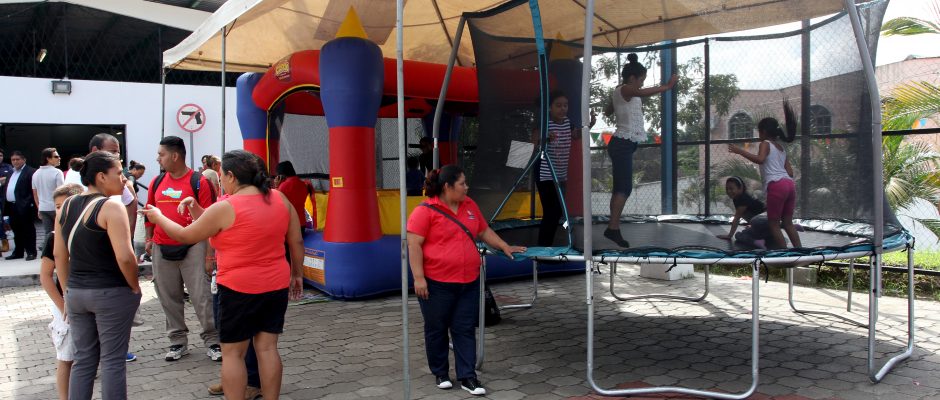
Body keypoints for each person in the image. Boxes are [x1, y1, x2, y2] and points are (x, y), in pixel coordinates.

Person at [141, 149, 304, 400]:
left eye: (221, 177)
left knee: (233, 354)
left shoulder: (227, 206)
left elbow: (185, 235)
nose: (221, 181)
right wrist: (297, 274)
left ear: (231, 176)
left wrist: (159, 217)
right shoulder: (279, 198)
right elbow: (296, 242)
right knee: (268, 349)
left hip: (238, 289)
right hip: (275, 285)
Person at [407, 165, 526, 396]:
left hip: (468, 281)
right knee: (437, 328)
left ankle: (468, 376)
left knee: (464, 329)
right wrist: (419, 278)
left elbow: (483, 231)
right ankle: (440, 373)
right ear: (447, 187)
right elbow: (413, 245)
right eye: (462, 183)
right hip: (436, 283)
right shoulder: (425, 211)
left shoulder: (469, 205)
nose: (466, 187)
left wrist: (504, 245)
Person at [53, 151, 141, 400]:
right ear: (101, 176)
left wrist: (68, 290)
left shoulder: (67, 205)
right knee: (113, 360)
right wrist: (135, 287)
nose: (124, 179)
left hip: (76, 294)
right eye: (119, 173)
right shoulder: (111, 206)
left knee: (83, 360)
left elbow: (59, 255)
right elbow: (126, 257)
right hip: (110, 292)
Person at [145, 136, 220, 362]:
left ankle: (213, 341)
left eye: (161, 154)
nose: (158, 158)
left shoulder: (199, 182)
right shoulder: (156, 182)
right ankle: (177, 341)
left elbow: (210, 219)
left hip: (194, 246)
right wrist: (149, 239)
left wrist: (209, 255)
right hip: (161, 247)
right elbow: (149, 213)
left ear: (175, 155)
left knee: (201, 296)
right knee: (168, 297)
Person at [605, 53, 677, 248]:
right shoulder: (625, 89)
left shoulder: (622, 91)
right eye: (641, 80)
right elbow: (642, 93)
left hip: (623, 143)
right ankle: (613, 228)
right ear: (632, 78)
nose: (641, 85)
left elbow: (608, 110)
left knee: (620, 188)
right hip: (622, 143)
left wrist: (615, 104)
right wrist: (667, 86)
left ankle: (613, 225)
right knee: (624, 188)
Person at [728, 103, 803, 249]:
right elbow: (790, 173)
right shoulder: (781, 148)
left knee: (773, 224)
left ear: (763, 132)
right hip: (789, 185)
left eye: (759, 132)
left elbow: (760, 159)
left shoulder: (765, 143)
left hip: (777, 185)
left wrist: (739, 151)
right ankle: (800, 251)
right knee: (787, 223)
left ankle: (785, 254)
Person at [39, 183, 84, 400]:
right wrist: (62, 305)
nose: (60, 211)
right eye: (57, 207)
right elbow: (46, 276)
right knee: (66, 356)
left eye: (64, 205)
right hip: (64, 305)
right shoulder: (53, 237)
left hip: (86, 299)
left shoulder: (90, 232)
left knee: (86, 357)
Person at [533, 90, 587, 246]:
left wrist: (588, 126)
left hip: (560, 175)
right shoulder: (544, 124)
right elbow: (534, 143)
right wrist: (545, 139)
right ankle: (544, 246)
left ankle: (547, 244)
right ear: (550, 108)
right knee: (553, 210)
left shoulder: (568, 123)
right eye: (558, 105)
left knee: (556, 212)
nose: (563, 109)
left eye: (565, 105)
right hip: (544, 173)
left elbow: (576, 135)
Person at [716, 176, 775, 249]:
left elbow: (737, 218)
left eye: (731, 188)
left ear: (740, 188)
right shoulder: (738, 198)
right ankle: (760, 239)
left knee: (743, 231)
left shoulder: (742, 199)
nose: (728, 191)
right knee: (741, 234)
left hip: (765, 226)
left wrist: (729, 235)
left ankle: (758, 240)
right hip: (764, 228)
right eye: (727, 189)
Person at [2, 151, 38, 260]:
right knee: (16, 230)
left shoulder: (31, 171)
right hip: (11, 206)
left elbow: (34, 189)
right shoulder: (11, 172)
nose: (15, 162)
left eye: (17, 159)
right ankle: (18, 252)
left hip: (25, 205)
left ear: (24, 160)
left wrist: (29, 203)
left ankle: (31, 252)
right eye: (13, 160)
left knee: (28, 229)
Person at [33, 147, 65, 237]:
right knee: (61, 234)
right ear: (48, 159)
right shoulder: (57, 172)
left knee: (48, 235)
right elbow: (61, 192)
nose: (59, 158)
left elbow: (35, 194)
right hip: (56, 208)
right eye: (56, 156)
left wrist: (39, 208)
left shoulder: (35, 173)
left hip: (43, 208)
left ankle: (48, 247)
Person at [275, 161, 314, 232]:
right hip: (302, 225)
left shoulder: (283, 186)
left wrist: (277, 186)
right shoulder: (303, 184)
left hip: (289, 226)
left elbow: (275, 203)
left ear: (280, 175)